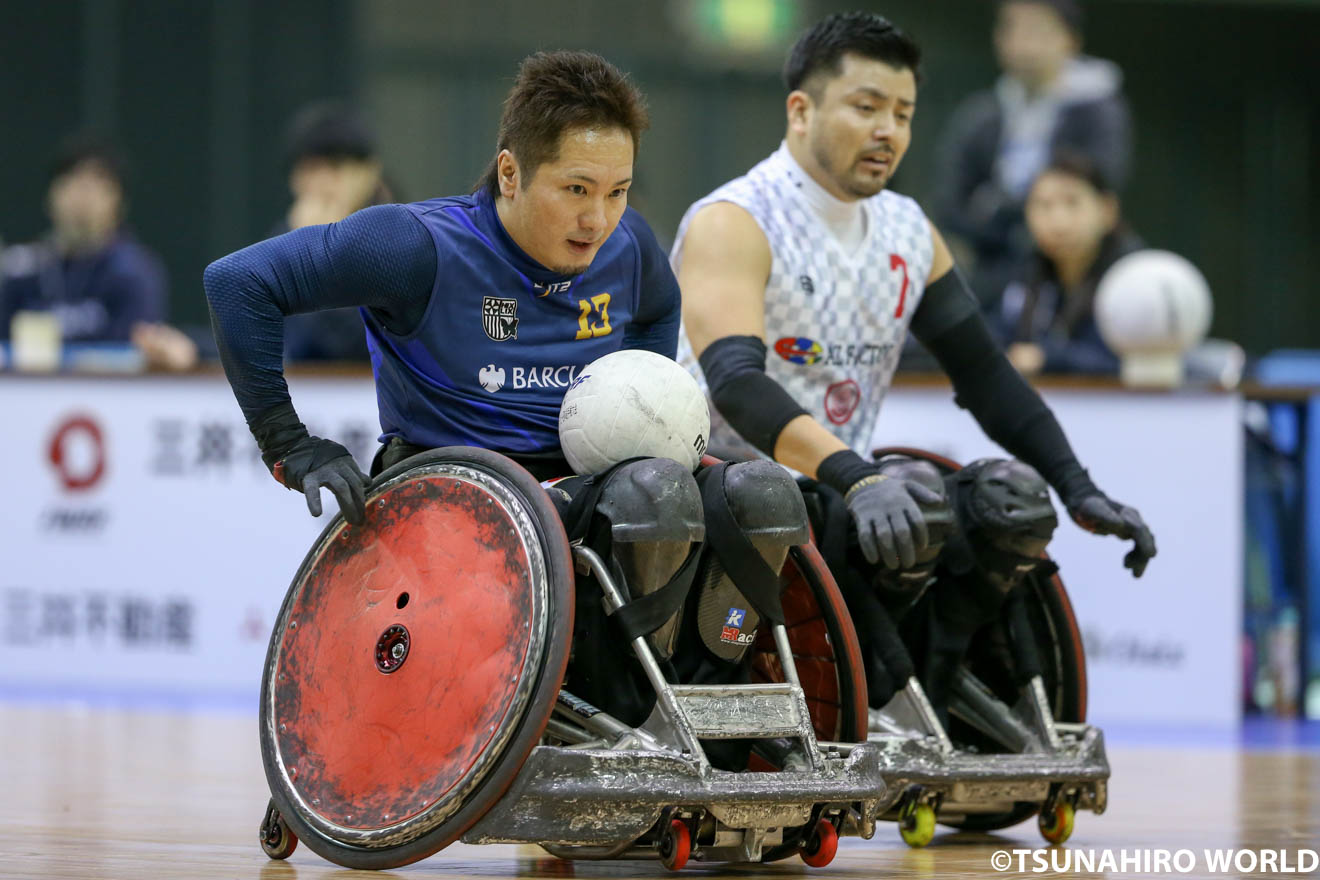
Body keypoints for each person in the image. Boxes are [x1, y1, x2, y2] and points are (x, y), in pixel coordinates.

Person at [204, 51, 804, 737]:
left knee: (764, 495)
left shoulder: (631, 246)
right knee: (655, 501)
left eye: (618, 192)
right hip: (457, 494)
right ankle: (627, 724)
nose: (599, 219)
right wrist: (290, 446)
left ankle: (713, 715)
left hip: (588, 486)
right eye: (576, 189)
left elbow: (654, 309)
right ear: (511, 172)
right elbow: (238, 282)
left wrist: (641, 405)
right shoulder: (412, 245)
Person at [673, 11, 1155, 709]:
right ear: (801, 111)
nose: (887, 131)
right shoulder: (735, 219)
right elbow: (739, 387)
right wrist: (857, 478)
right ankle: (889, 701)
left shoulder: (908, 231)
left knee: (1006, 504)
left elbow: (986, 376)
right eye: (866, 107)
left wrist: (1079, 488)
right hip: (730, 493)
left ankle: (943, 702)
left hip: (843, 487)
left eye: (902, 113)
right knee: (836, 505)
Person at [933, 0, 1131, 308]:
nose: (1024, 44)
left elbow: (1099, 183)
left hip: (1072, 274)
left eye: (1038, 30)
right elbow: (950, 200)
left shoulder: (1099, 111)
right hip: (992, 269)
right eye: (1013, 29)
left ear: (1071, 40)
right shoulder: (981, 114)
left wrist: (1008, 212)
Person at [0, 136, 196, 369]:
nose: (83, 197)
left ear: (119, 201)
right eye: (71, 182)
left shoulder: (134, 271)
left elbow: (136, 352)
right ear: (51, 195)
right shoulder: (19, 269)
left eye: (97, 185)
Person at [999, 151, 1142, 376]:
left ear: (1108, 210)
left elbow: (1138, 365)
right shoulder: (1026, 272)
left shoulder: (1138, 278)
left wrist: (1048, 359)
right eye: (1044, 206)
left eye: (1072, 203)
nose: (1058, 221)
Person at [275, 102, 394, 362]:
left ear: (370, 171)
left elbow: (351, 346)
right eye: (309, 169)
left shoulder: (400, 236)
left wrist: (318, 251)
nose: (321, 182)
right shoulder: (286, 233)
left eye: (336, 167)